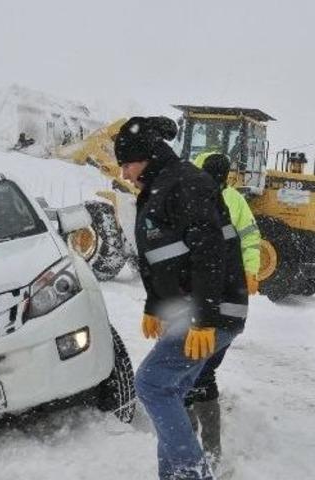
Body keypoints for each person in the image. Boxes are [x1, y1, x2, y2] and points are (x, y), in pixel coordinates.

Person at [114, 116, 248, 480]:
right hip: (193, 311)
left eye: (126, 164)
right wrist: (154, 306)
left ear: (147, 155)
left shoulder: (184, 183)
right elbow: (165, 259)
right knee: (170, 391)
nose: (124, 174)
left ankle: (192, 474)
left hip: (210, 313)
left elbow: (208, 254)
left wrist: (206, 318)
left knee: (151, 384)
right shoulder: (163, 186)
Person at [185, 152, 260, 471]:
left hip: (213, 304)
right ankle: (204, 449)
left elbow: (250, 239)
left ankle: (193, 448)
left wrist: (252, 270)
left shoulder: (205, 201)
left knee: (190, 373)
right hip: (224, 303)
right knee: (200, 372)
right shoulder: (226, 200)